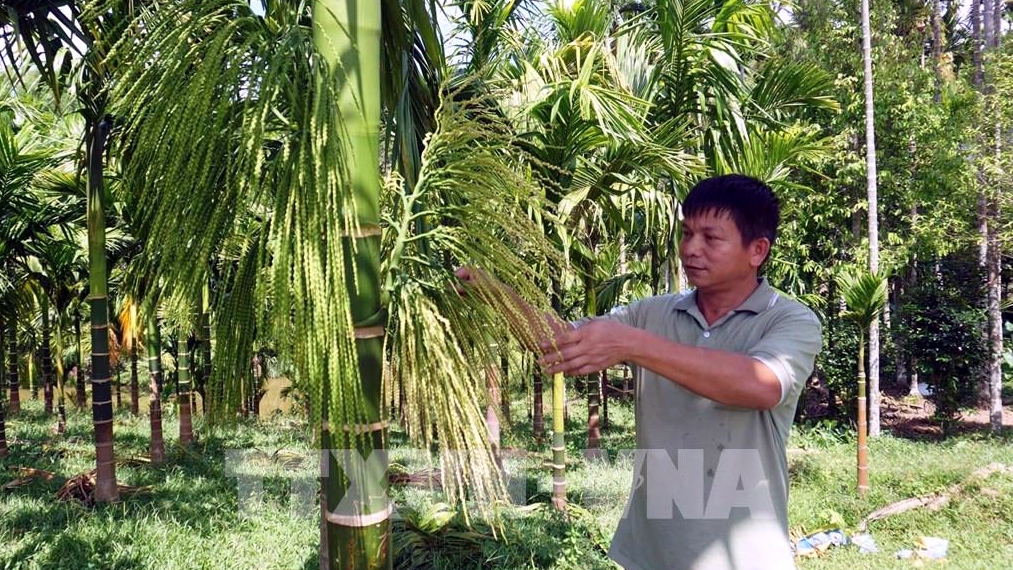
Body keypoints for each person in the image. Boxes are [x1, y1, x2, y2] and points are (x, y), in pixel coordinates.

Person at [456, 174, 822, 570]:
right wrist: (493, 292)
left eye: (711, 238)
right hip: (652, 550)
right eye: (686, 234)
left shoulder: (788, 320)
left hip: (745, 554)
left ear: (757, 250)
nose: (690, 249)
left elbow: (761, 384)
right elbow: (560, 341)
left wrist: (634, 344)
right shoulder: (651, 313)